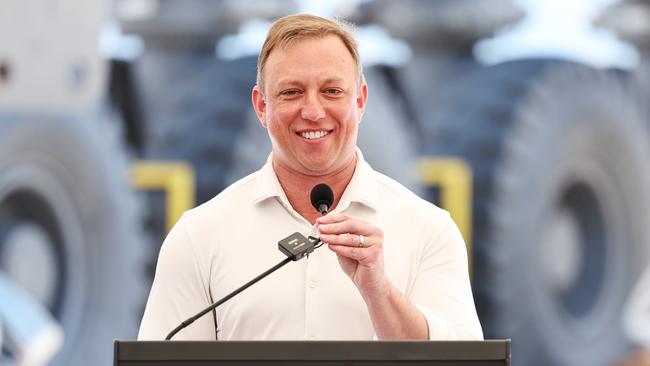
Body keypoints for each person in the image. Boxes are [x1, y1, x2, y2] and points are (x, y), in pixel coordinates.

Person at [138, 13, 483, 341]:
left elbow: (461, 359)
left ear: (360, 102)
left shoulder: (429, 231)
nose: (314, 112)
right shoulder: (198, 236)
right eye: (292, 92)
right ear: (261, 106)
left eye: (332, 91)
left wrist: (379, 292)